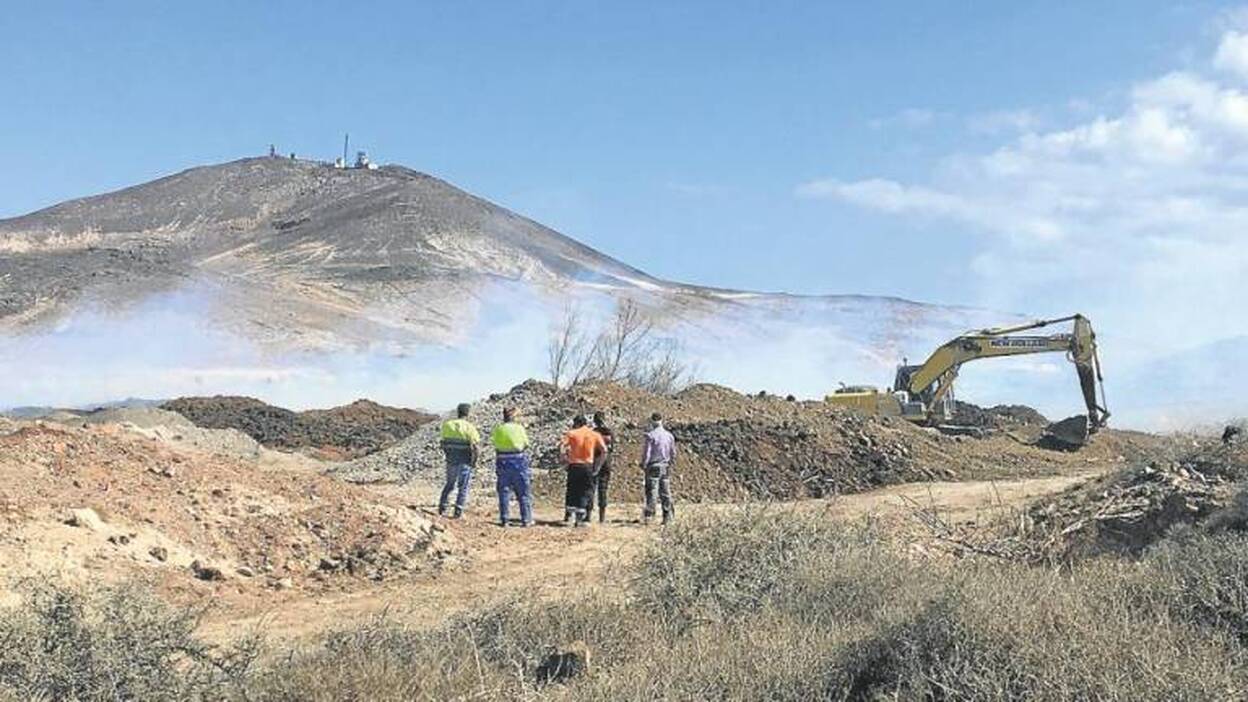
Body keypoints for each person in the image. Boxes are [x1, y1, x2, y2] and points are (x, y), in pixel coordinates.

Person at [561, 414, 607, 526]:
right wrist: (598, 466)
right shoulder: (594, 434)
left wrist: (564, 461)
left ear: (576, 423)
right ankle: (580, 519)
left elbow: (562, 447)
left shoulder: (571, 433)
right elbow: (604, 451)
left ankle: (569, 518)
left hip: (574, 465)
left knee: (572, 490)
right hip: (587, 465)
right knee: (585, 491)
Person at [490, 407, 533, 527]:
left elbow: (495, 445)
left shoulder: (498, 429)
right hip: (518, 461)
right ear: (513, 417)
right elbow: (526, 444)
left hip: (502, 461)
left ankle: (504, 519)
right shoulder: (519, 428)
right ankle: (526, 519)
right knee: (523, 491)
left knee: (504, 491)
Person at [438, 403, 480, 518]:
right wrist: (474, 461)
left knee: (449, 484)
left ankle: (442, 506)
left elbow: (442, 443)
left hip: (451, 460)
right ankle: (458, 510)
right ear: (467, 413)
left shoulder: (447, 425)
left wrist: (448, 453)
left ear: (458, 412)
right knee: (463, 486)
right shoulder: (469, 427)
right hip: (464, 461)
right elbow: (476, 447)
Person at [640, 412, 676, 525]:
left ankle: (649, 517)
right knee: (665, 491)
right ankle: (668, 516)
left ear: (652, 421)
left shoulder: (650, 436)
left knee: (652, 491)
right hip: (665, 465)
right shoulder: (669, 436)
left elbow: (647, 453)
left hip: (653, 466)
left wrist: (644, 464)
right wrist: (670, 463)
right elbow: (673, 453)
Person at [587, 411, 615, 523]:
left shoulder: (593, 432)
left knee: (591, 488)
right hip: (606, 462)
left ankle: (588, 515)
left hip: (594, 462)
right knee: (603, 489)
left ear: (595, 420)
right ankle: (602, 518)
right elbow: (611, 448)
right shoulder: (610, 432)